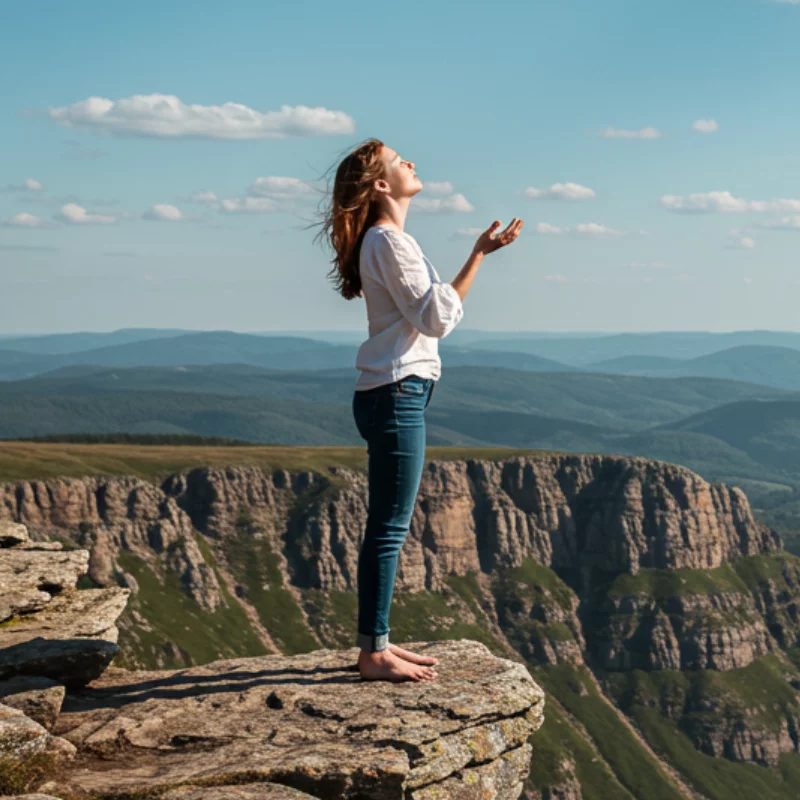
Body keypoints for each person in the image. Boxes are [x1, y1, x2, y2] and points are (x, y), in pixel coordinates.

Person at [314, 138, 523, 682]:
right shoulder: (389, 242)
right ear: (381, 184)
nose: (409, 162)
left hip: (392, 393)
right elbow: (436, 320)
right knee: (388, 526)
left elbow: (427, 315)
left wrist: (477, 254)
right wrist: (476, 256)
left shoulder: (389, 241)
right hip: (396, 394)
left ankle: (377, 642)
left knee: (388, 523)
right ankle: (373, 652)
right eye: (397, 160)